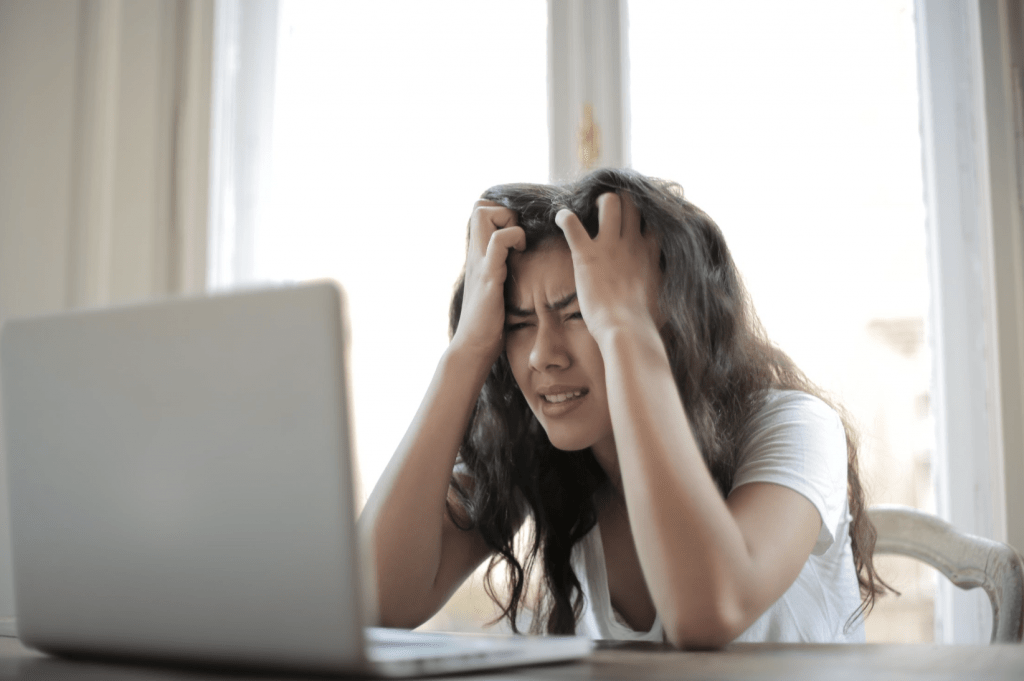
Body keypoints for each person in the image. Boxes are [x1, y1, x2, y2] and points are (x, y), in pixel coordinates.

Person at [359, 168, 889, 647]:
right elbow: (373, 602)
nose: (543, 355)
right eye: (518, 325)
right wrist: (467, 350)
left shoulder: (796, 426)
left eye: (581, 313)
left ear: (670, 318)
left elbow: (707, 613)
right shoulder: (545, 457)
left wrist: (625, 329)